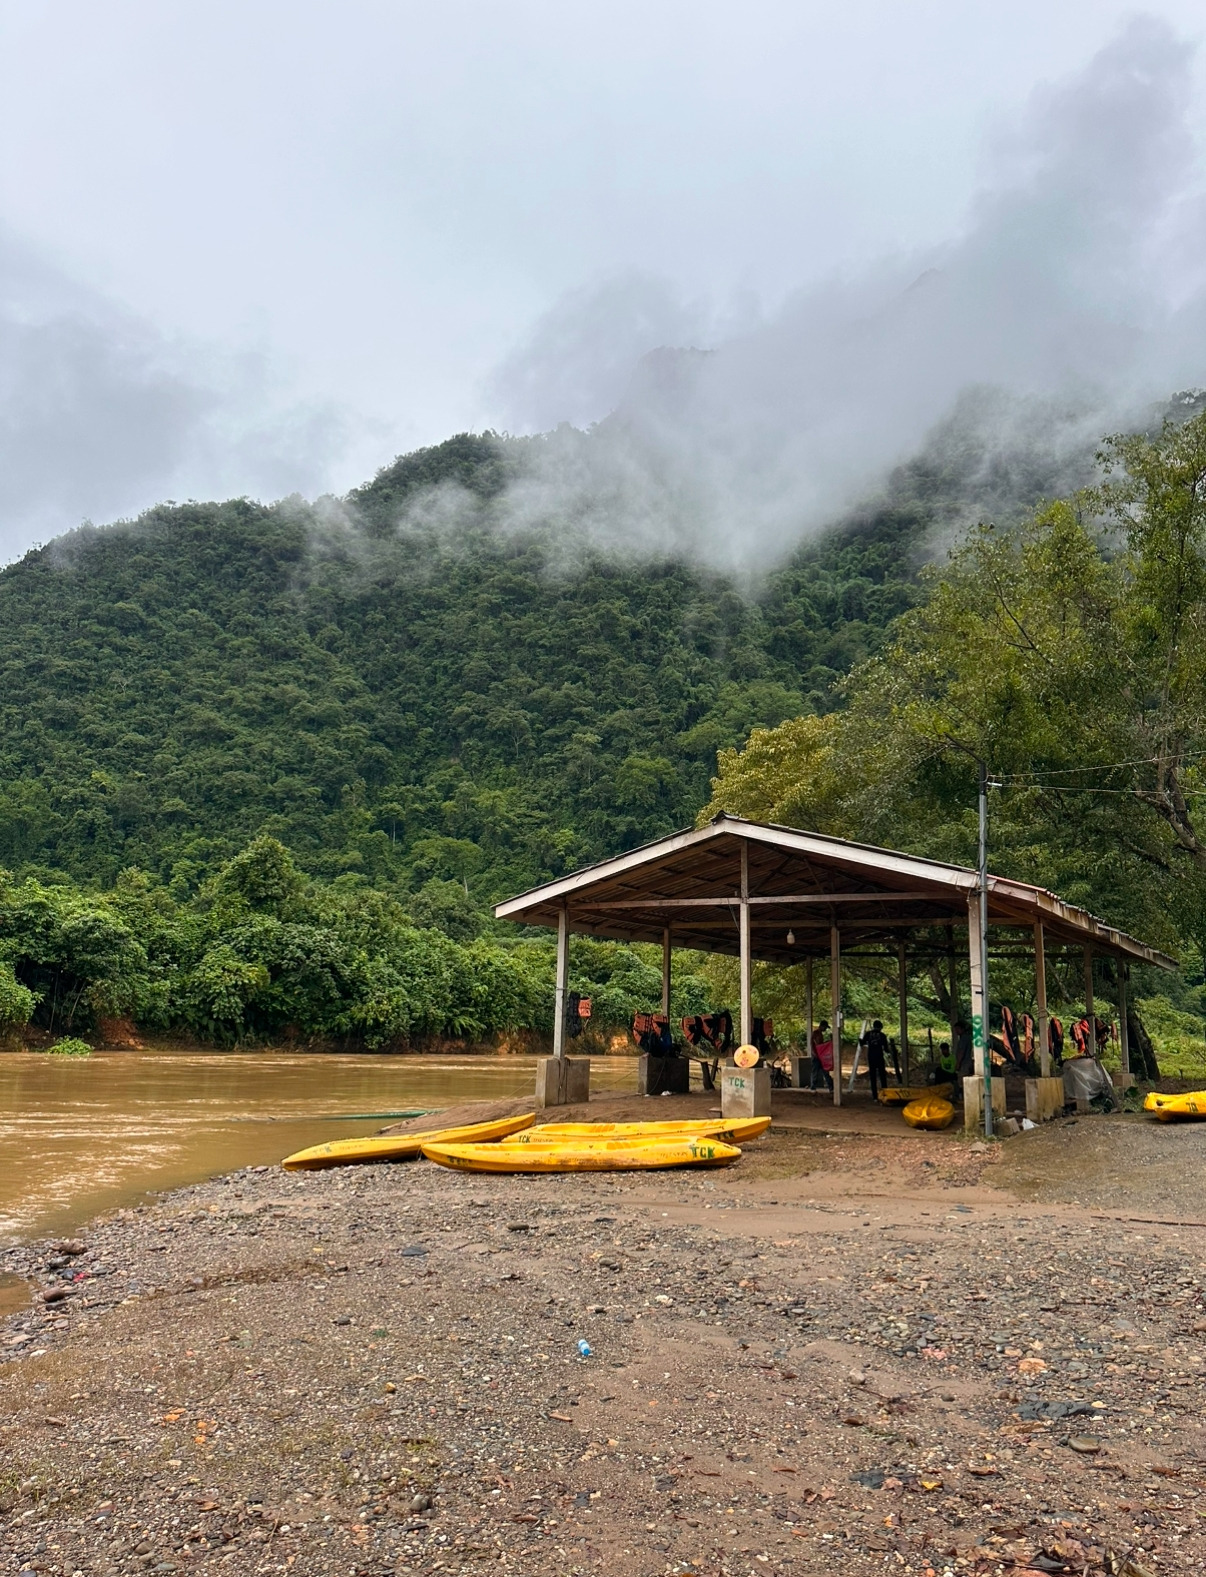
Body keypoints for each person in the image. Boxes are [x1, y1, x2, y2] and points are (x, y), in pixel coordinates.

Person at [864, 1019, 891, 1100]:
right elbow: (886, 1049)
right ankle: (885, 1094)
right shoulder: (882, 1035)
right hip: (879, 1057)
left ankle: (874, 1096)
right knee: (882, 1076)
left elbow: (862, 1042)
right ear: (880, 1027)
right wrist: (890, 1051)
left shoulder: (868, 1034)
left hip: (871, 1057)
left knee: (873, 1076)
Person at [810, 1020, 835, 1092]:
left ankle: (831, 1087)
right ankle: (813, 1087)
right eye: (825, 1027)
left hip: (821, 1056)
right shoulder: (815, 1033)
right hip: (816, 1056)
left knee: (825, 1072)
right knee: (815, 1072)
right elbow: (813, 1044)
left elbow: (821, 1045)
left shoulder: (820, 1034)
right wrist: (814, 1053)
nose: (825, 1029)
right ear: (822, 1026)